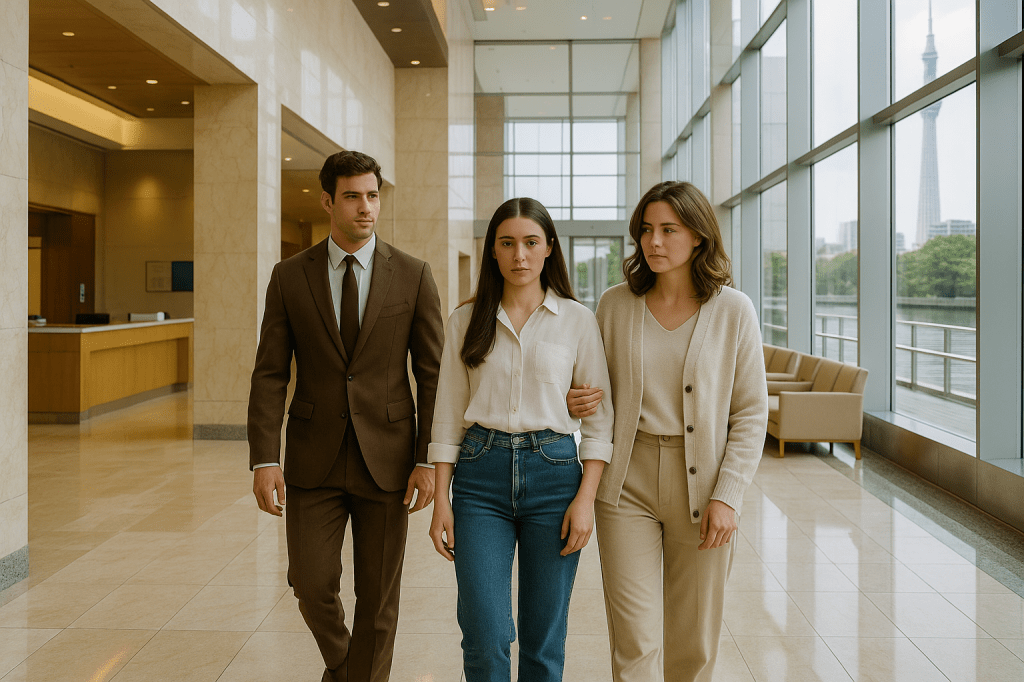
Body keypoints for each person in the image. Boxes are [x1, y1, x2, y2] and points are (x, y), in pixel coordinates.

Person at [247, 150, 444, 682]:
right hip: (314, 458)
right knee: (310, 581)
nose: (365, 208)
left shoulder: (412, 275)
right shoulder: (290, 276)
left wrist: (428, 459)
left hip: (391, 459)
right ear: (328, 202)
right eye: (353, 197)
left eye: (373, 196)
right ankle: (344, 665)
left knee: (378, 598)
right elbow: (269, 373)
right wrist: (264, 459)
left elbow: (433, 378)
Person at [568, 181, 768, 682]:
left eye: (668, 230)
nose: (653, 242)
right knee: (634, 639)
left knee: (693, 641)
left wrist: (729, 494)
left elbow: (750, 413)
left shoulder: (733, 310)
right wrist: (572, 400)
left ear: (699, 236)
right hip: (624, 484)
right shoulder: (615, 305)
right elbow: (591, 391)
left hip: (701, 486)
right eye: (646, 231)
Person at [427, 197, 614, 682]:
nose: (520, 255)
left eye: (531, 243)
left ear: (549, 248)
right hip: (478, 479)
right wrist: (441, 501)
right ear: (492, 251)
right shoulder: (465, 321)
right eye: (507, 244)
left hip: (554, 478)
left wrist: (586, 500)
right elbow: (447, 415)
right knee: (486, 636)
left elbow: (598, 423)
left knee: (543, 641)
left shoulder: (578, 321)